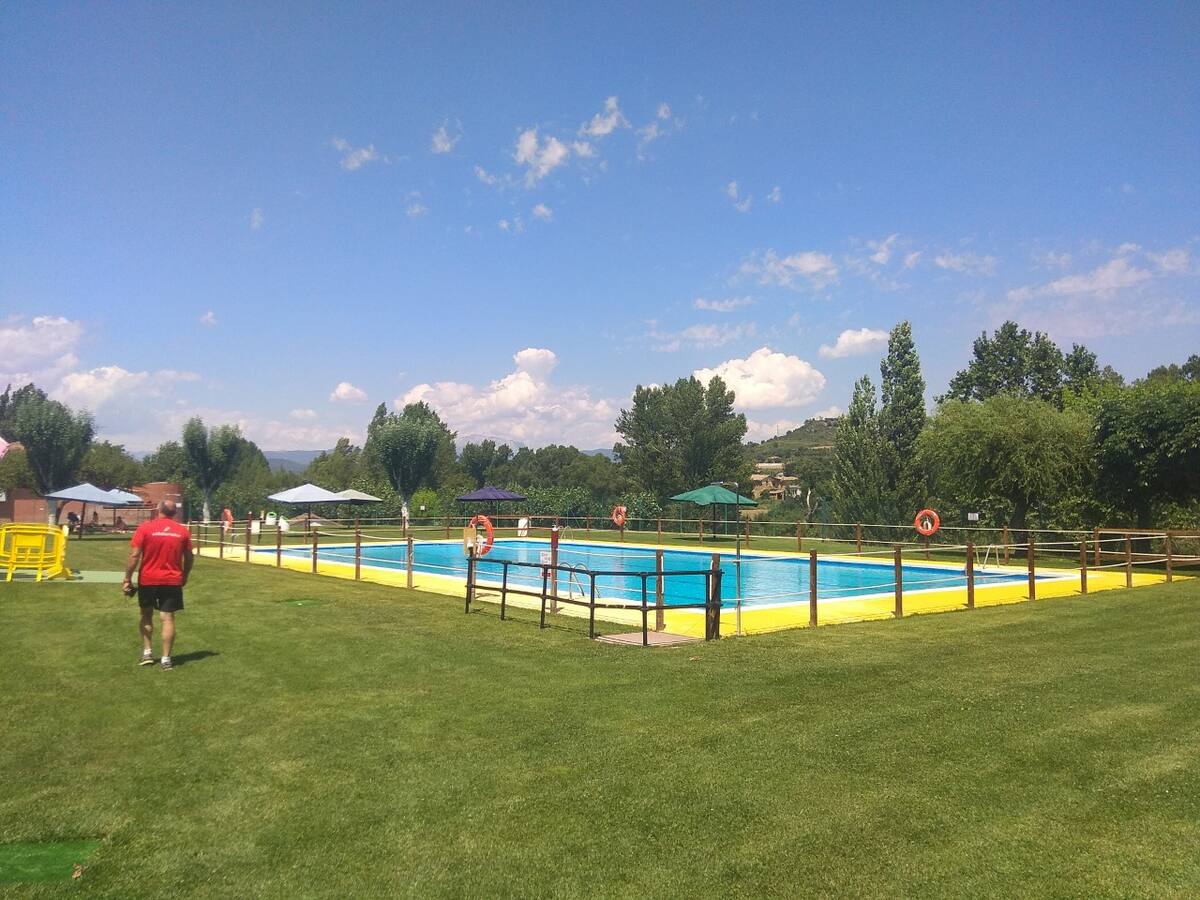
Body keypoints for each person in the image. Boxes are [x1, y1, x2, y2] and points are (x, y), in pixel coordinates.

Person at [123, 500, 194, 670]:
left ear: (159, 510)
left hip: (148, 579)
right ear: (174, 513)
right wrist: (185, 575)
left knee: (146, 614)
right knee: (167, 618)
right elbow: (189, 557)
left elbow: (135, 555)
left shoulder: (145, 528)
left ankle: (147, 652)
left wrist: (127, 579)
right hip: (172, 580)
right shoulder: (182, 531)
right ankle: (166, 659)